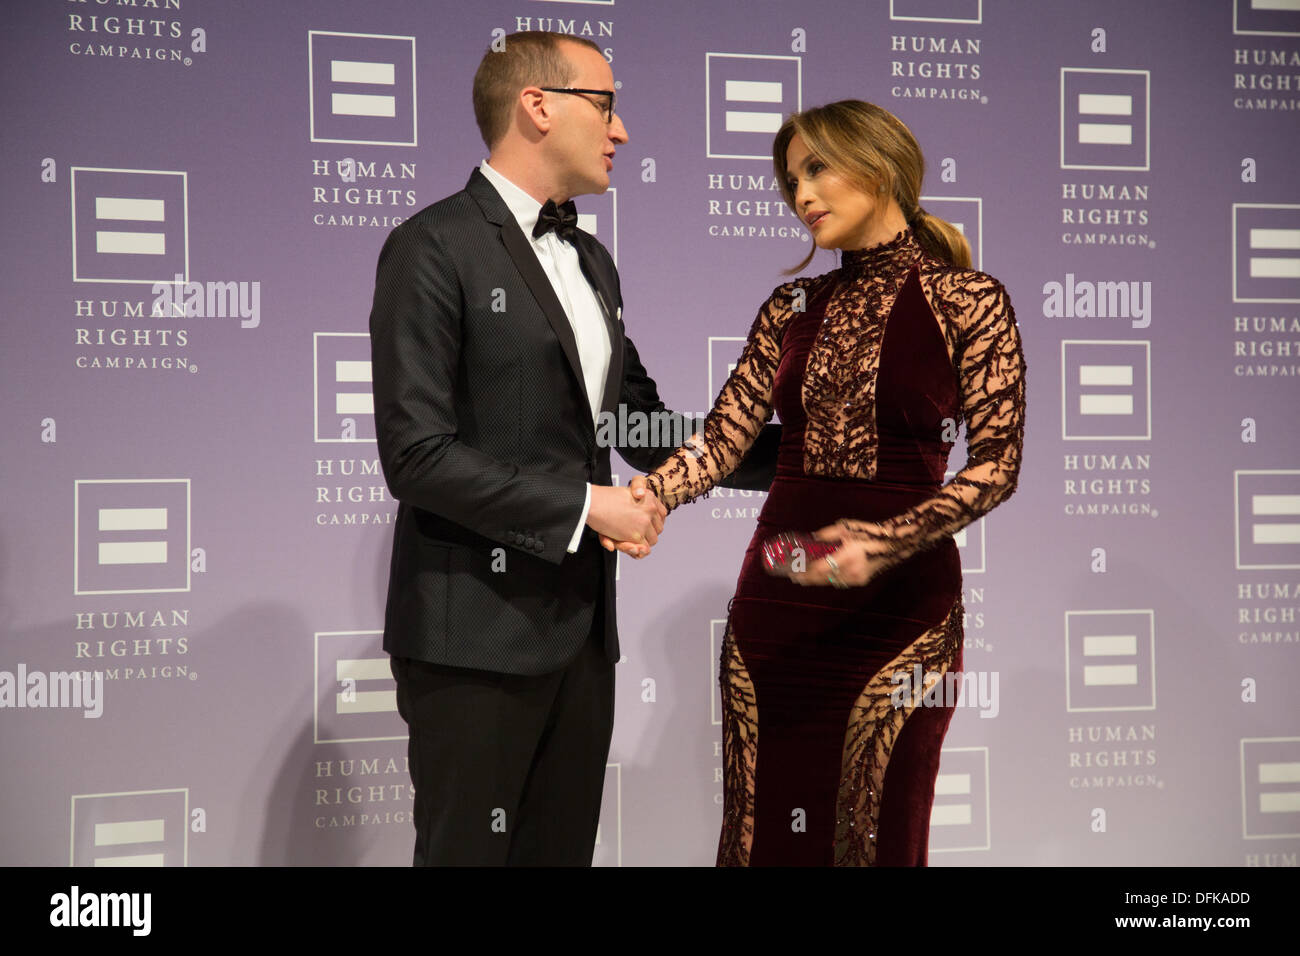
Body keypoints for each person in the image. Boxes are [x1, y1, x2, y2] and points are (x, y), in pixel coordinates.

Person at [368, 31, 778, 866]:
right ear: (538, 105)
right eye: (607, 103)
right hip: (472, 641)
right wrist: (591, 508)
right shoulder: (432, 246)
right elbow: (415, 454)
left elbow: (636, 423)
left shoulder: (592, 258)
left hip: (583, 634)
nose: (621, 130)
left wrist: (806, 458)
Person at [634, 101, 1026, 865]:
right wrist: (654, 498)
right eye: (791, 180)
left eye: (816, 168)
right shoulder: (790, 307)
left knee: (875, 836)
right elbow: (722, 439)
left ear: (879, 167)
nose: (801, 195)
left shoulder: (969, 300)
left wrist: (887, 540)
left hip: (901, 613)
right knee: (759, 836)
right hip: (775, 600)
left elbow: (997, 465)